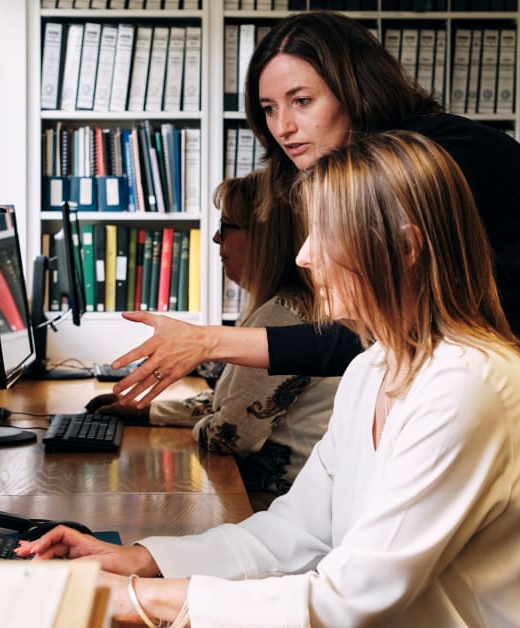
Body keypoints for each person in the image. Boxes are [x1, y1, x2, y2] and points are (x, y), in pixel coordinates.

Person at [16, 133, 520, 628]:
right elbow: (297, 534)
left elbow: (344, 608)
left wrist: (133, 600)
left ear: (405, 249)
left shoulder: (468, 385)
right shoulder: (373, 367)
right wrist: (142, 560)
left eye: (323, 235)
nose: (305, 256)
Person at [107, 11, 520, 481]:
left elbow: (363, 333)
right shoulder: (361, 175)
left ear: (352, 90)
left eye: (301, 100)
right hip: (517, 346)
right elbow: (374, 333)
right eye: (270, 108)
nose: (283, 126)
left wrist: (209, 343)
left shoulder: (421, 163)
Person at [87, 171, 339, 511]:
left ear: (264, 237)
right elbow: (231, 403)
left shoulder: (283, 315)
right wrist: (146, 412)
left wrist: (202, 422)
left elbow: (228, 434)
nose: (217, 239)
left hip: (273, 507)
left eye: (227, 226)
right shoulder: (280, 306)